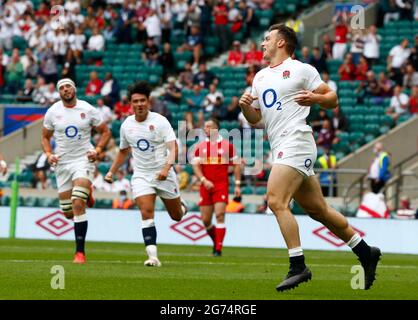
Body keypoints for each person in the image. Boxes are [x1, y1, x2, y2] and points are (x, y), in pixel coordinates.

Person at [238, 24, 381, 292]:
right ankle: (365, 251)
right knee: (319, 210)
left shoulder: (302, 69)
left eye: (267, 38)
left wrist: (315, 98)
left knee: (275, 200)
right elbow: (258, 121)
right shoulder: (259, 78)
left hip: (297, 141)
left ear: (282, 43)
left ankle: (298, 265)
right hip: (281, 145)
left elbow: (332, 98)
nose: (262, 43)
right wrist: (247, 108)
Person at [104, 81, 187, 267]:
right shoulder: (126, 125)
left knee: (177, 216)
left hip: (163, 173)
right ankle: (152, 256)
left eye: (143, 100)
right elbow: (124, 151)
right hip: (141, 175)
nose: (139, 104)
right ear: (130, 104)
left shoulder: (160, 121)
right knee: (146, 211)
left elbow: (173, 147)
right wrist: (111, 171)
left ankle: (181, 207)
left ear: (148, 102)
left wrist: (166, 169)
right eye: (136, 101)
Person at [41, 78, 111, 264]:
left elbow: (105, 132)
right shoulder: (53, 112)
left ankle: (80, 253)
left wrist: (97, 150)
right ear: (59, 92)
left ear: (74, 88)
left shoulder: (87, 109)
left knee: (77, 202)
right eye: (62, 88)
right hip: (63, 163)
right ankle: (87, 192)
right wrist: (48, 154)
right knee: (68, 212)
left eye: (68, 86)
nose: (65, 90)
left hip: (83, 159)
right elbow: (45, 137)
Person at [191, 118, 242, 256]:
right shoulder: (200, 147)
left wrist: (237, 184)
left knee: (220, 215)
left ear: (216, 129)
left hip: (221, 185)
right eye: (205, 126)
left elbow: (237, 165)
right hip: (205, 186)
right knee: (206, 221)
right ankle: (216, 242)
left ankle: (218, 249)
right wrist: (203, 180)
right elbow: (195, 166)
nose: (205, 129)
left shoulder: (228, 146)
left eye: (209, 126)